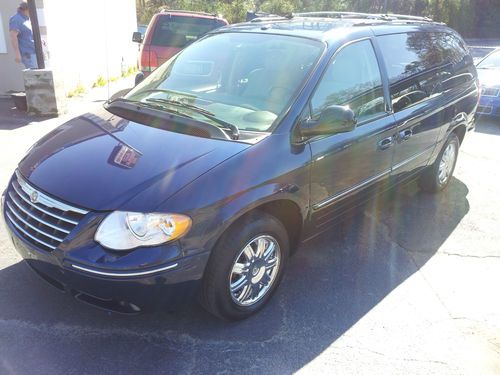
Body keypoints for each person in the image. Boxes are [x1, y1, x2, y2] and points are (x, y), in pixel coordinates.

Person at [9, 2, 37, 69]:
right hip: (28, 55)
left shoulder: (26, 19)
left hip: (34, 52)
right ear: (25, 9)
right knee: (35, 77)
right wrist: (17, 54)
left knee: (38, 76)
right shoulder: (16, 19)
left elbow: (28, 34)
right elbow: (13, 37)